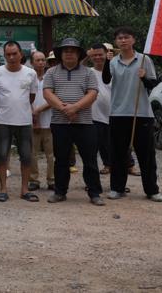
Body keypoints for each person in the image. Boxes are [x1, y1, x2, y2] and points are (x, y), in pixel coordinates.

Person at [103, 26, 162, 202]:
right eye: (119, 38)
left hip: (142, 113)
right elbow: (106, 79)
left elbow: (153, 84)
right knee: (118, 153)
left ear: (133, 40)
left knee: (146, 154)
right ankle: (117, 188)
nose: (123, 40)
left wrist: (144, 77)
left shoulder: (144, 60)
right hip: (118, 113)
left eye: (126, 37)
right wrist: (106, 62)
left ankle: (152, 190)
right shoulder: (113, 62)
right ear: (116, 42)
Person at [43, 38, 103, 206]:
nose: (69, 53)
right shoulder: (51, 72)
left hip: (84, 123)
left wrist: (75, 108)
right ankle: (60, 192)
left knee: (90, 159)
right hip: (60, 123)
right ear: (60, 54)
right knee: (61, 159)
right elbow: (47, 93)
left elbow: (92, 94)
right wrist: (65, 110)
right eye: (65, 51)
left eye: (72, 51)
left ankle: (94, 193)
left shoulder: (88, 73)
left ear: (79, 54)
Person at [0, 41, 39, 202]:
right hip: (2, 121)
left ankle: (25, 190)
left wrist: (21, 109)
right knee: (1, 156)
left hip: (24, 121)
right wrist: (3, 110)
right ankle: (3, 189)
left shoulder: (30, 73)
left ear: (21, 54)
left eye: (14, 53)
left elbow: (31, 97)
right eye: (8, 54)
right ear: (4, 55)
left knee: (26, 156)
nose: (11, 57)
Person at [29, 50, 54, 191]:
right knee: (32, 153)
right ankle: (34, 180)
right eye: (37, 60)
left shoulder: (51, 77)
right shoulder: (28, 77)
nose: (41, 63)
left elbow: (54, 98)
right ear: (32, 62)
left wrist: (38, 111)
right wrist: (33, 115)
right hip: (31, 121)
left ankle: (52, 180)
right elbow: (25, 98)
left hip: (50, 121)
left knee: (51, 154)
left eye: (43, 60)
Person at [88, 44, 112, 175]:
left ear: (106, 54)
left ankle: (127, 165)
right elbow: (76, 67)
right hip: (94, 115)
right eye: (94, 55)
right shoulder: (88, 72)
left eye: (100, 54)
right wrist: (86, 55)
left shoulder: (114, 70)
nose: (97, 57)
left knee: (116, 144)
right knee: (95, 145)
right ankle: (102, 168)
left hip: (114, 114)